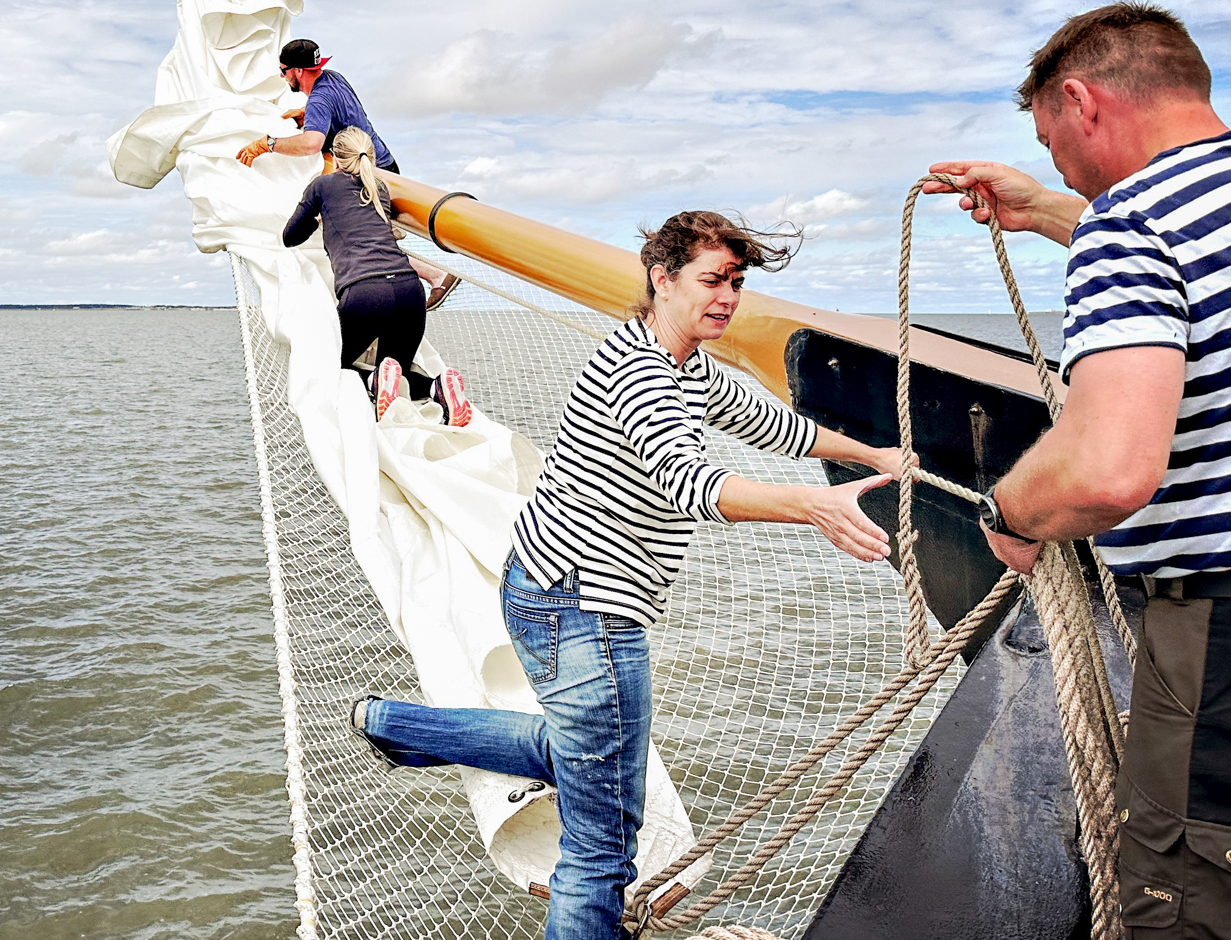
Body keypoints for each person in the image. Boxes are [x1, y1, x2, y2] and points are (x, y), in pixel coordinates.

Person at [352, 211, 903, 940]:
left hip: (543, 587)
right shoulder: (643, 373)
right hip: (585, 610)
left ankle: (390, 724)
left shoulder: (678, 362)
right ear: (662, 278)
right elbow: (689, 481)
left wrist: (875, 455)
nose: (728, 296)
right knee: (604, 844)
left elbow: (776, 428)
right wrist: (813, 507)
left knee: (588, 752)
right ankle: (396, 727)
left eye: (736, 282)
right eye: (712, 279)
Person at [925, 2, 1231, 940]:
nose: (1058, 166)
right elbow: (1216, 273)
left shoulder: (1133, 225)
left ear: (1081, 101)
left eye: (1051, 143)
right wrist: (1051, 214)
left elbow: (1107, 470)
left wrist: (1011, 510)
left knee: (1202, 898)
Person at [240, 38, 459, 309]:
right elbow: (339, 108)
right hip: (385, 167)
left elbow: (311, 145)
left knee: (361, 242)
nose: (283, 77)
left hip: (368, 177)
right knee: (373, 240)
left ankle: (436, 277)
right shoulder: (334, 78)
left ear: (297, 71)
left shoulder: (319, 99)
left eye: (283, 71)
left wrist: (267, 144)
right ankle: (422, 283)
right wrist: (308, 114)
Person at [282, 127, 473, 426]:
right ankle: (438, 388)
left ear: (334, 157)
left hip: (364, 294)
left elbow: (289, 236)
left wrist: (317, 220)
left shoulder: (321, 186)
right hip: (410, 291)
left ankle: (372, 382)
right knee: (397, 372)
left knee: (333, 369)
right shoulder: (379, 188)